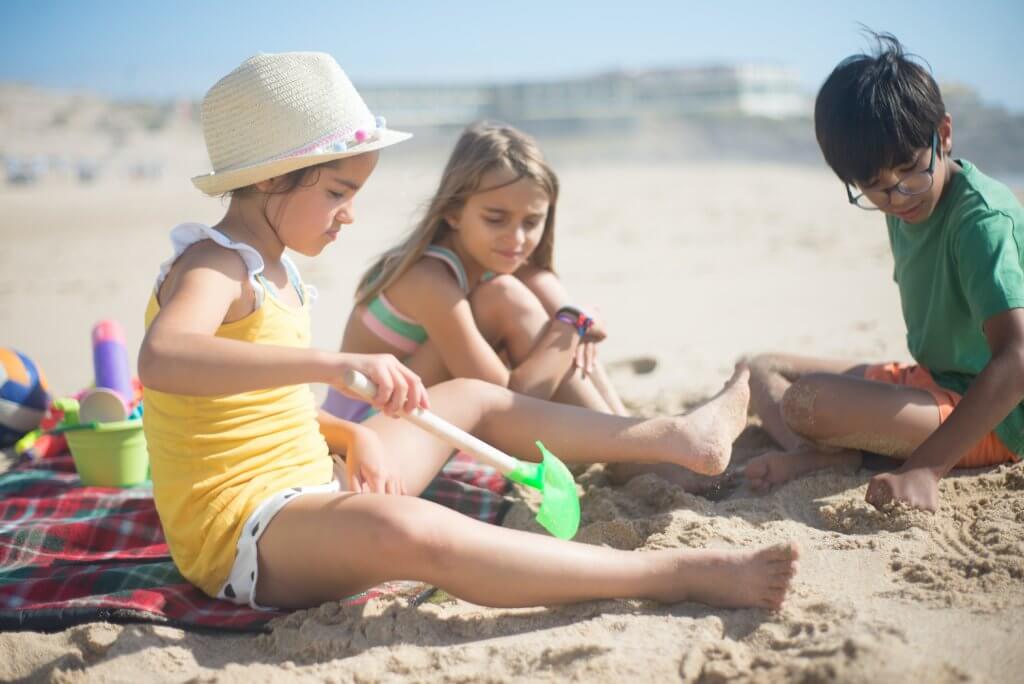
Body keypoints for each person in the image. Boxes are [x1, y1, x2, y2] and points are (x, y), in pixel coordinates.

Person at [140, 51, 797, 611]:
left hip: (313, 475)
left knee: (474, 398)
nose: (349, 216)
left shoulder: (276, 270)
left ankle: (673, 439)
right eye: (339, 192)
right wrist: (330, 364)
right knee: (415, 531)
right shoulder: (215, 264)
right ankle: (676, 576)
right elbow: (165, 359)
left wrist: (347, 434)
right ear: (273, 178)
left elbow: (264, 412)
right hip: (244, 531)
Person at [323, 121, 701, 487]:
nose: (516, 238)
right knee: (513, 302)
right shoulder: (429, 281)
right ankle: (630, 450)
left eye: (532, 221)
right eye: (496, 218)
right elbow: (508, 404)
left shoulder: (493, 260)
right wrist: (570, 325)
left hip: (412, 410)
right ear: (453, 212)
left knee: (540, 314)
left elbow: (549, 288)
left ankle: (631, 441)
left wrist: (572, 320)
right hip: (371, 426)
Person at [744, 32, 1024, 512]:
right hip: (933, 380)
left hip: (997, 417)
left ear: (944, 134)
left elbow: (1017, 359)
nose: (899, 197)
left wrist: (925, 469)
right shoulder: (904, 206)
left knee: (805, 402)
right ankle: (825, 455)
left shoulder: (980, 220)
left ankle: (845, 450)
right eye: (874, 187)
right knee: (760, 368)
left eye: (910, 170)